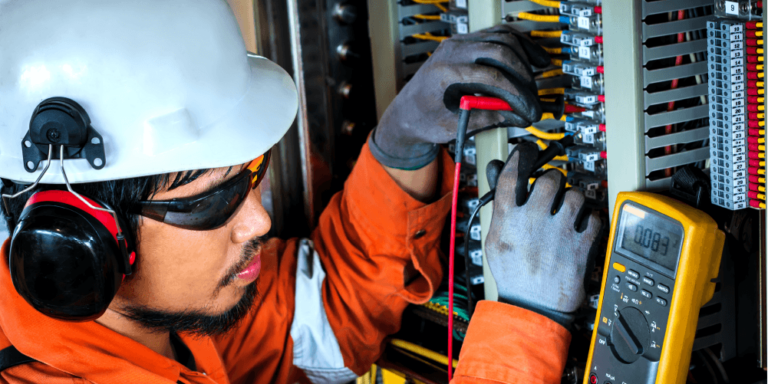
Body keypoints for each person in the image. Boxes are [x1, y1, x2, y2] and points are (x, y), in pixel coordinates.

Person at [0, 1, 601, 383]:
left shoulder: (158, 324)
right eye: (208, 200)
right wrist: (524, 332)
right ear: (79, 239)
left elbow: (321, 319)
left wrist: (400, 149)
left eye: (252, 176)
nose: (258, 220)